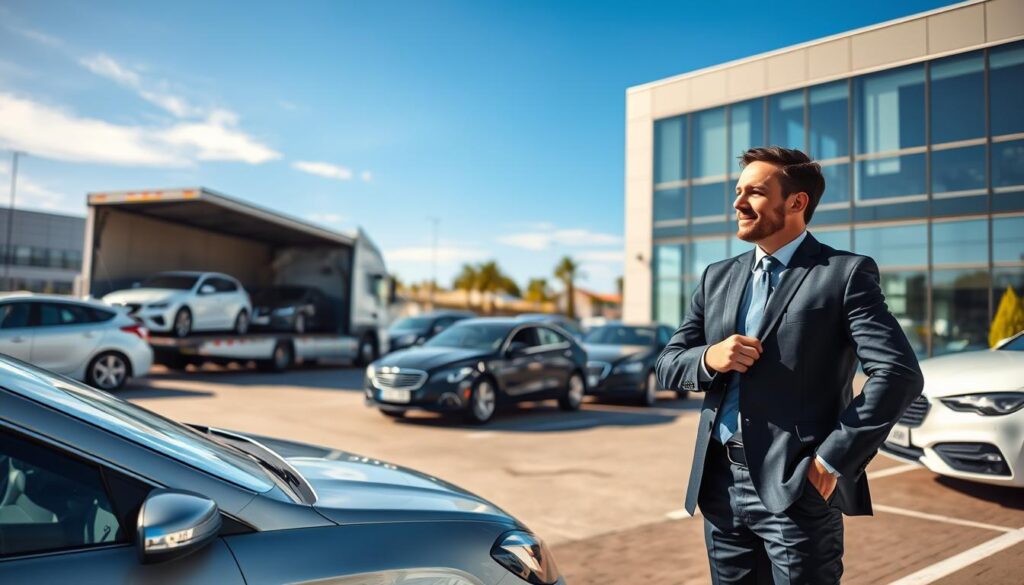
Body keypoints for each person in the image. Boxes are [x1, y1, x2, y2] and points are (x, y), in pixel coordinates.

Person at [656, 147, 924, 584]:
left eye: (755, 193)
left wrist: (831, 462)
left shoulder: (844, 274)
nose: (738, 203)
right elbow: (667, 364)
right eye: (738, 191)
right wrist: (709, 357)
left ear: (797, 203)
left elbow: (898, 374)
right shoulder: (716, 277)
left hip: (798, 489)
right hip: (720, 487)